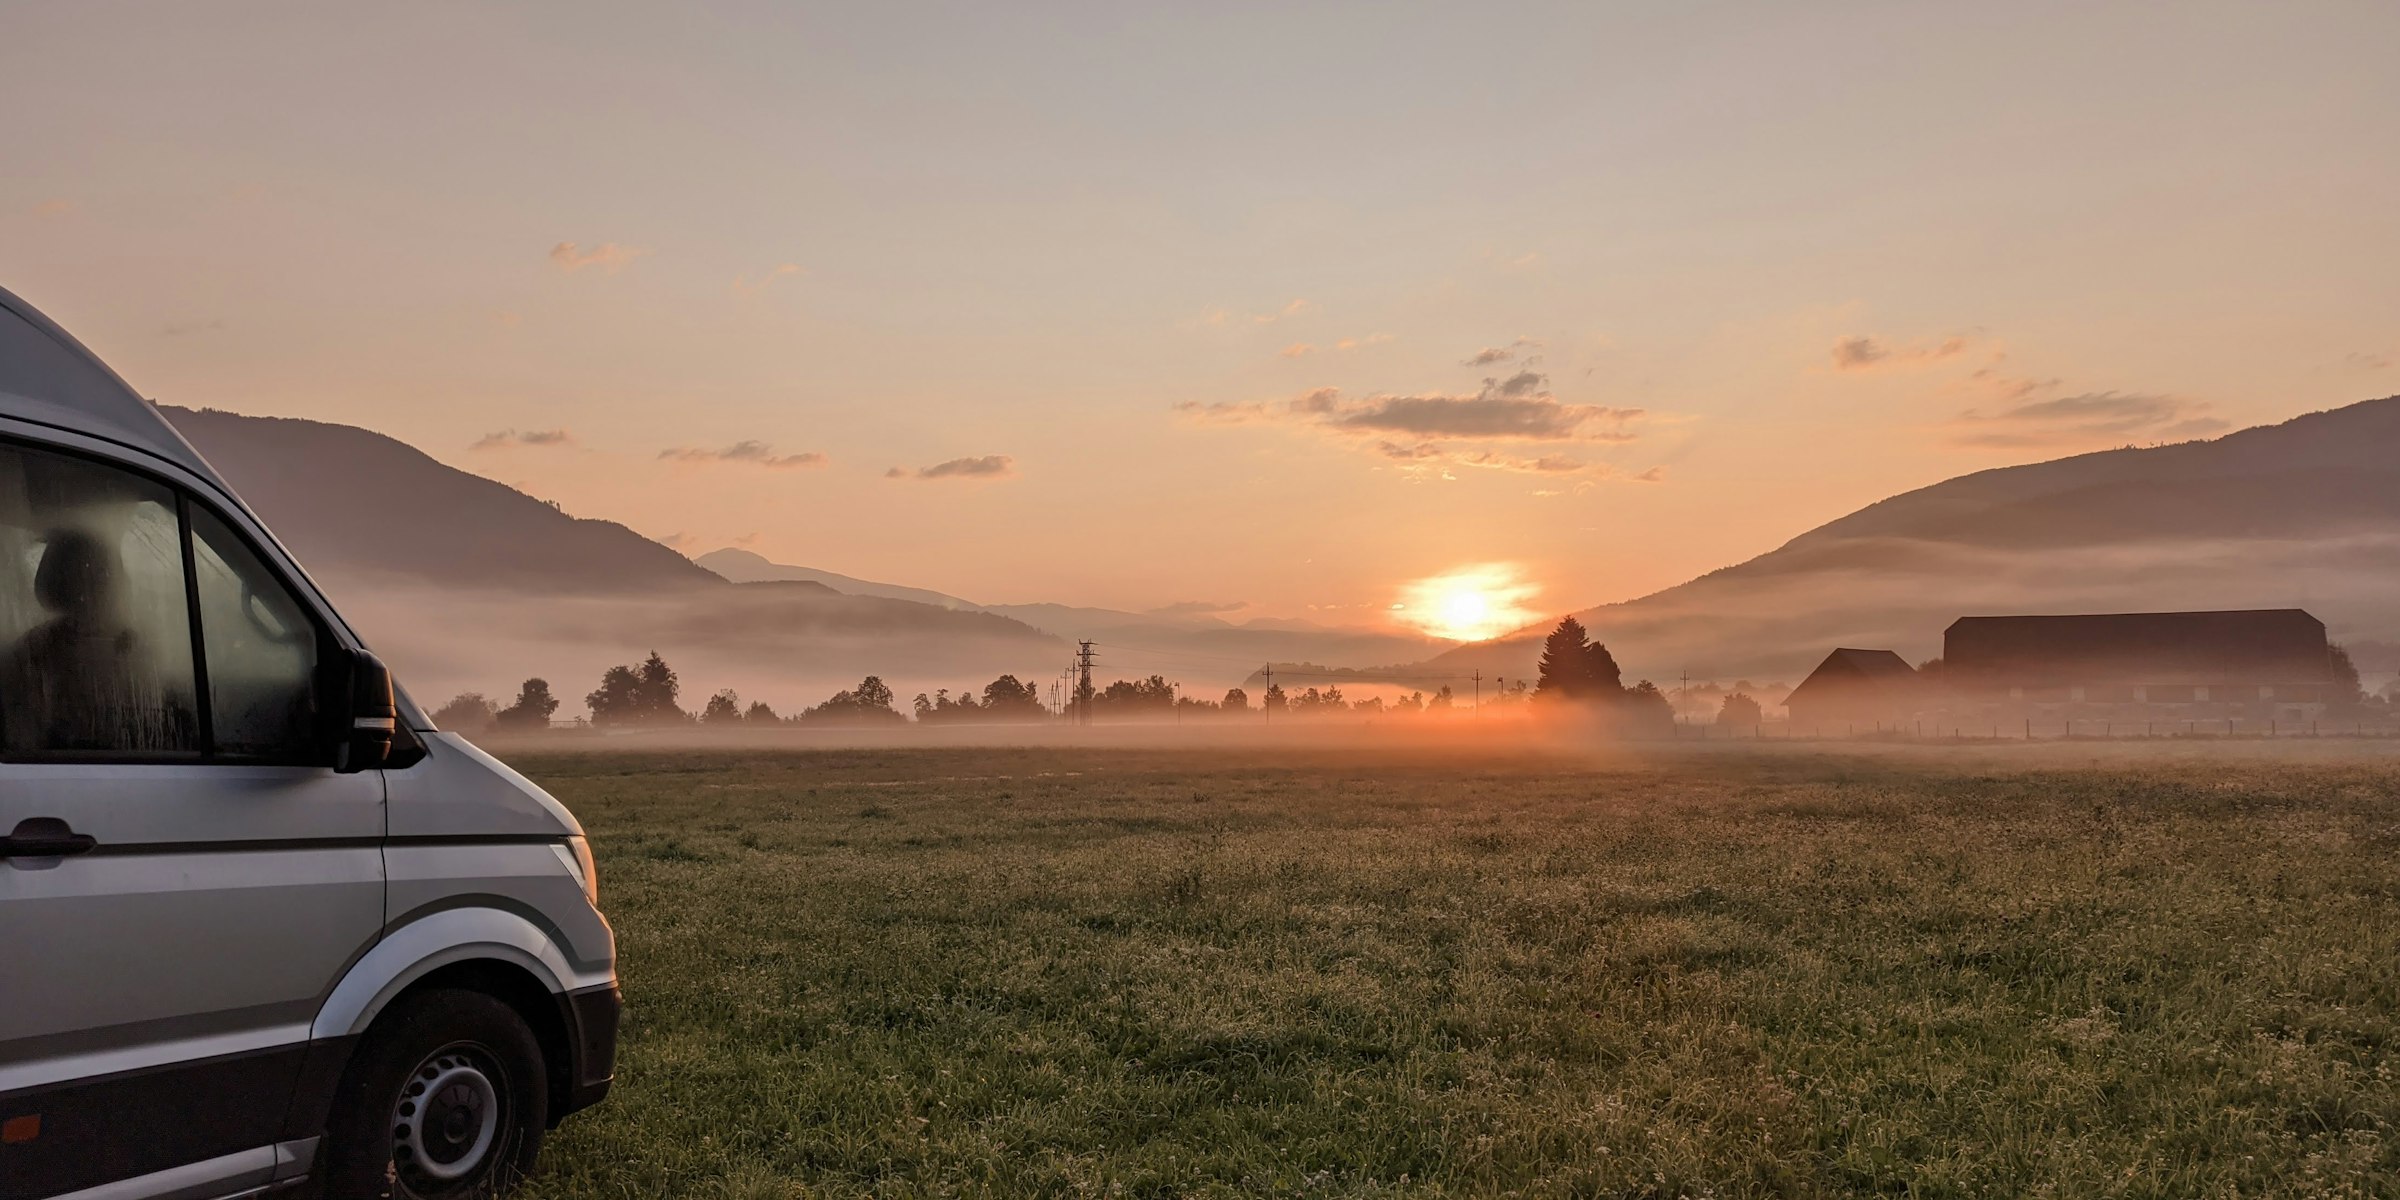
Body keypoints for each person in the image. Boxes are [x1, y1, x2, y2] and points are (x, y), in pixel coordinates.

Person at [0, 527, 195, 754]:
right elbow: (25, 742)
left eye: (100, 575)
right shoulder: (33, 653)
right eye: (84, 576)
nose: (93, 586)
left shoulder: (134, 645)